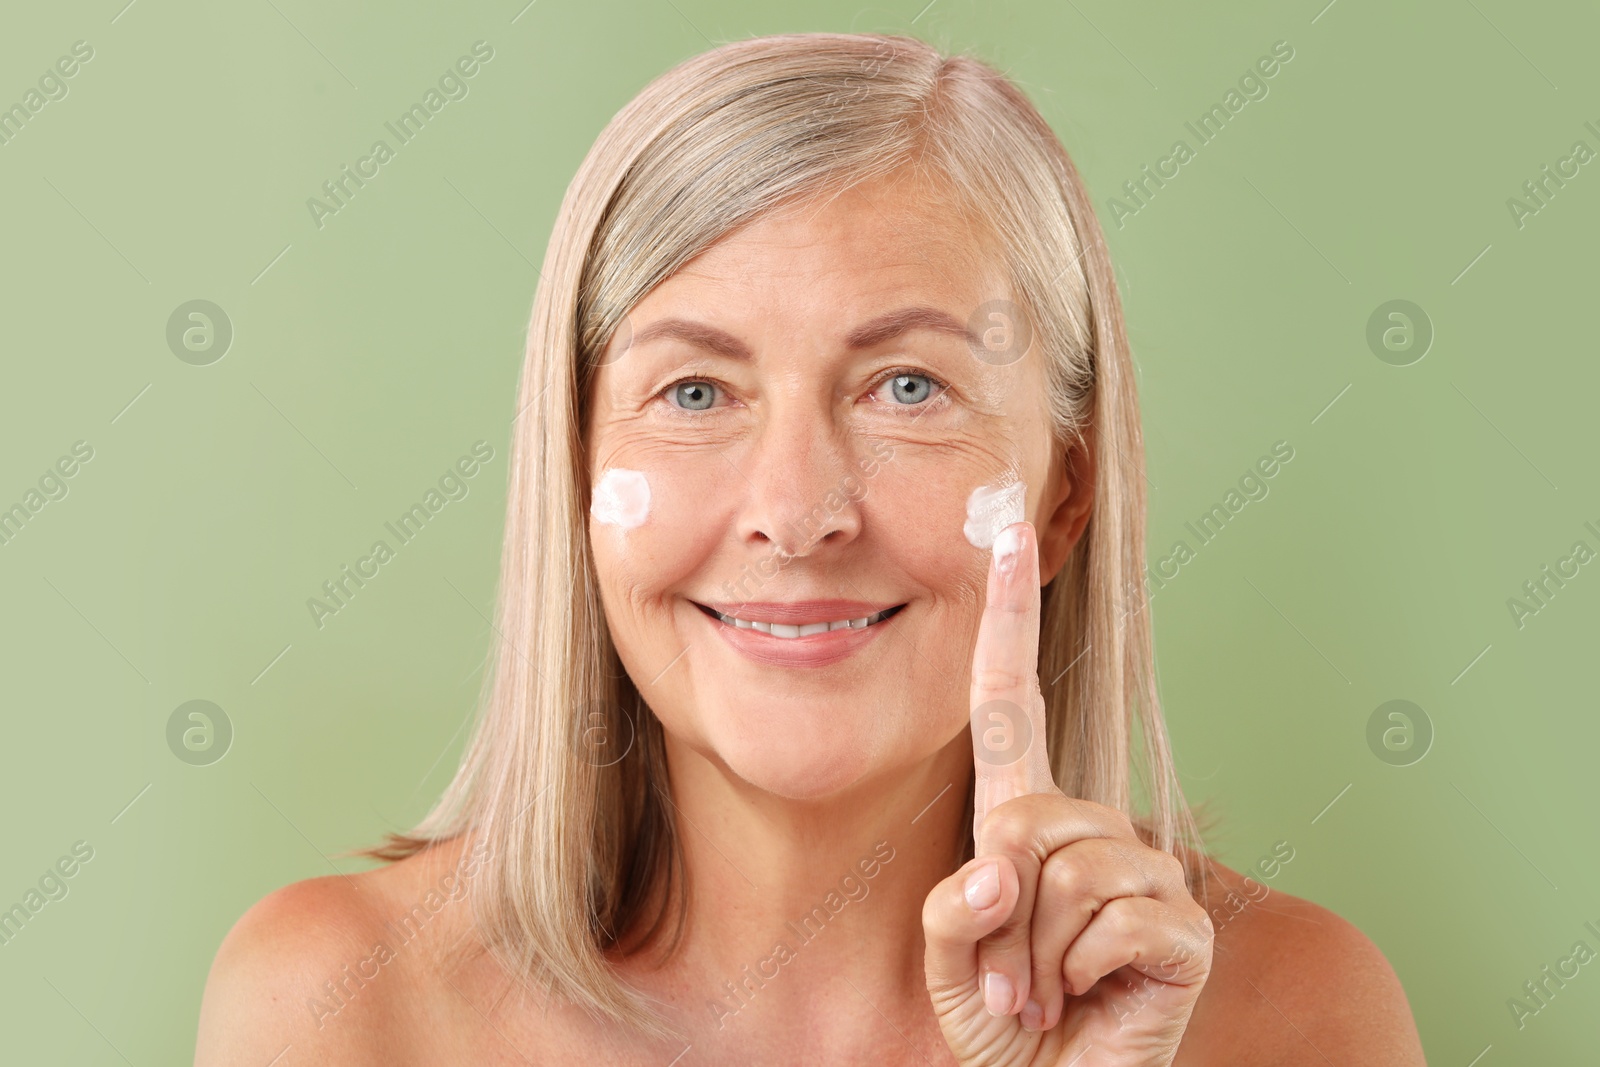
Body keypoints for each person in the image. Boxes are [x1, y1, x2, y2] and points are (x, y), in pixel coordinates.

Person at [196, 32, 1426, 1065]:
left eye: (906, 386)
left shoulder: (1292, 1013)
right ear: (572, 476)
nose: (795, 511)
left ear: (1064, 497)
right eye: (692, 392)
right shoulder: (340, 1006)